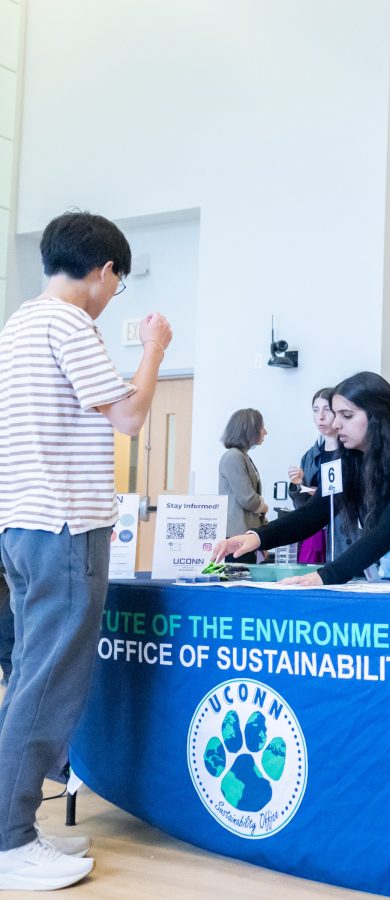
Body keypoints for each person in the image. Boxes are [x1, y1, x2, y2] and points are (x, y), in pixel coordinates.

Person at [0, 211, 172, 889]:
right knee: (48, 684)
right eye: (116, 283)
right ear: (103, 272)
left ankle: (16, 829)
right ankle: (9, 842)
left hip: (23, 525)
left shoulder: (17, 324)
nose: (111, 296)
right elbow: (129, 417)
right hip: (65, 525)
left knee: (31, 679)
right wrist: (154, 346)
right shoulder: (71, 323)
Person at [212, 372, 390, 585]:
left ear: (376, 416)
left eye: (347, 415)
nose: (335, 424)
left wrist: (327, 575)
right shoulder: (353, 457)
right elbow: (316, 512)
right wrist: (256, 537)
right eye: (335, 414)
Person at [287, 388, 354, 564]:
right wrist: (298, 484)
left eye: (326, 410)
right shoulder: (310, 456)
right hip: (314, 535)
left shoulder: (352, 453)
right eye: (316, 410)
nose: (320, 417)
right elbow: (302, 507)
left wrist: (318, 492)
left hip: (345, 535)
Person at [218, 408, 269, 563]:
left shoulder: (241, 456)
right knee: (235, 581)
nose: (265, 432)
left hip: (244, 534)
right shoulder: (233, 457)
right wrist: (264, 507)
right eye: (261, 428)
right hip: (235, 535)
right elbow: (247, 499)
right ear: (249, 430)